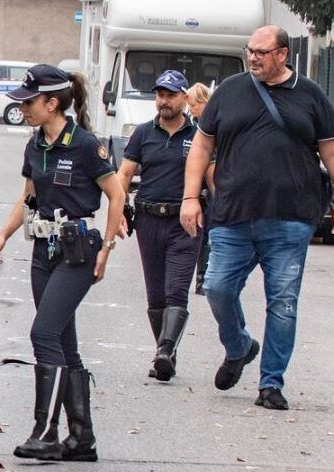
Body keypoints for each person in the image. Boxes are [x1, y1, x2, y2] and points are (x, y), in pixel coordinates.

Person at [180, 25, 334, 411]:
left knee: (283, 302)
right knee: (217, 287)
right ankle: (239, 346)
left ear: (282, 54)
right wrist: (190, 197)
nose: (253, 57)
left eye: (262, 52)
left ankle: (271, 383)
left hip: (291, 218)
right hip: (232, 215)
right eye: (251, 50)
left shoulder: (310, 95)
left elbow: (333, 152)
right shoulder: (229, 91)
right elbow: (202, 146)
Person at [0, 64, 125, 462]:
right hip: (42, 252)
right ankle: (82, 439)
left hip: (77, 250)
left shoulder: (84, 145)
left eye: (28, 102)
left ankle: (46, 433)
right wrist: (3, 233)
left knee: (44, 333)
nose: (23, 108)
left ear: (52, 103)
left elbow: (117, 194)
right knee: (63, 342)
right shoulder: (35, 144)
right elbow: (28, 196)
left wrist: (107, 248)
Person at [116, 70, 198, 382]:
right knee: (155, 295)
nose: (164, 101)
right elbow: (124, 174)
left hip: (184, 222)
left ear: (185, 98)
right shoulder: (142, 133)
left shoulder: (198, 135)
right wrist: (119, 210)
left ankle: (165, 349)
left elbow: (212, 176)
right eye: (160, 95)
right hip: (148, 219)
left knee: (176, 288)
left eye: (170, 95)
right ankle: (166, 351)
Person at [186, 82, 215, 296]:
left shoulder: (210, 126)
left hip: (209, 187)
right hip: (197, 187)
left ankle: (203, 278)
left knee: (207, 235)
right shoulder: (191, 125)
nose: (191, 108)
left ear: (204, 102)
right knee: (199, 235)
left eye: (194, 104)